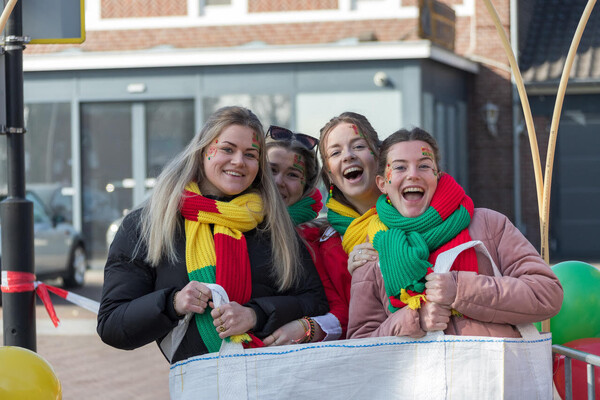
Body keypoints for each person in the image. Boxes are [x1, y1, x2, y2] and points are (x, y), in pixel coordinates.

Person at [97, 106, 329, 363]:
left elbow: (315, 301)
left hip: (272, 379)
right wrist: (172, 303)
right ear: (203, 151)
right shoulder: (149, 224)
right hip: (198, 383)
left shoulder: (273, 225)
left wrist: (256, 315)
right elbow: (112, 325)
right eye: (227, 149)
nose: (239, 161)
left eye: (250, 154)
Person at [347, 127, 563, 339]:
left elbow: (546, 293)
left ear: (437, 177)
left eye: (424, 166)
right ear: (383, 184)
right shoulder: (371, 249)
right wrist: (414, 320)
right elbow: (360, 342)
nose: (413, 175)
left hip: (495, 372)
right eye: (400, 168)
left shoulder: (489, 224)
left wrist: (461, 290)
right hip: (419, 375)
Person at [272, 112, 382, 340]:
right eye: (335, 152)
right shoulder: (326, 243)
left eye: (359, 146)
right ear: (329, 175)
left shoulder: (418, 213)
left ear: (379, 155)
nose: (348, 156)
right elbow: (340, 313)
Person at [262, 125, 341, 344]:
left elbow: (337, 309)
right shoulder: (226, 224)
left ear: (305, 187)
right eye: (271, 170)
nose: (279, 182)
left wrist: (307, 328)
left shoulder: (317, 239)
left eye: (293, 175)